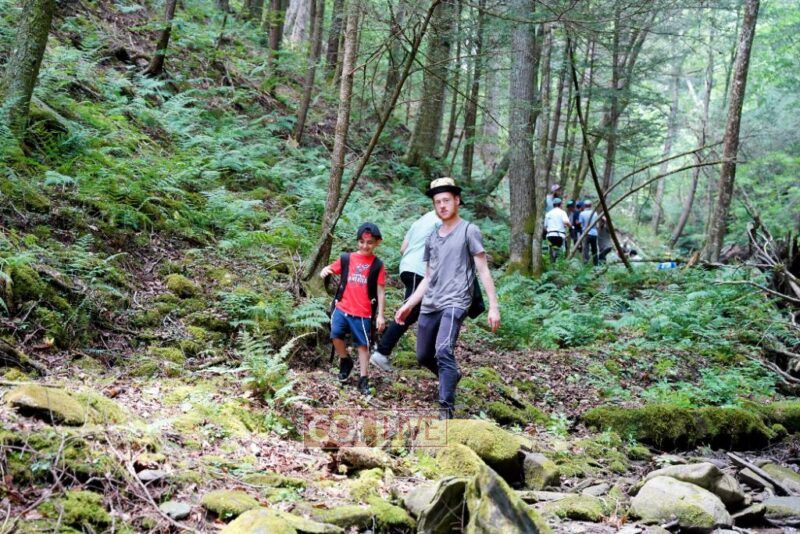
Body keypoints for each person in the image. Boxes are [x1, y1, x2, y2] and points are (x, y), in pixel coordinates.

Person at [395, 177, 501, 419]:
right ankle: (451, 374)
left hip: (456, 301)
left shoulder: (469, 231)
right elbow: (428, 277)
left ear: (457, 201)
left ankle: (445, 411)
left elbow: (483, 270)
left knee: (443, 350)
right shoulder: (432, 237)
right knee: (423, 355)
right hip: (431, 302)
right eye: (437, 202)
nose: (442, 206)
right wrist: (409, 304)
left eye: (446, 200)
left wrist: (493, 307)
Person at [320, 222, 387, 396]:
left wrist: (380, 315)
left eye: (369, 242)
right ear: (358, 241)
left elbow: (381, 291)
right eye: (362, 242)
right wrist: (325, 270)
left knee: (363, 345)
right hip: (342, 307)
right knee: (335, 335)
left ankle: (364, 379)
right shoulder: (347, 259)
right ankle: (345, 360)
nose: (365, 246)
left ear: (377, 242)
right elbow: (332, 268)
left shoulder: (377, 265)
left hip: (363, 312)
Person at [370, 210, 441, 372]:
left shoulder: (420, 221)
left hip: (407, 267)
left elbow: (403, 249)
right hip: (420, 270)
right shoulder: (442, 221)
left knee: (413, 312)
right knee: (409, 312)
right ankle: (381, 351)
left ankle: (383, 337)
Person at [544, 198, 571, 262]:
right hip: (559, 235)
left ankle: (552, 263)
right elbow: (566, 221)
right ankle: (560, 264)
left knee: (551, 252)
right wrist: (571, 227)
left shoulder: (548, 213)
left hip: (550, 235)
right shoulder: (562, 212)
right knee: (560, 252)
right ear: (560, 204)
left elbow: (545, 226)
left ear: (553, 205)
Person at [579, 200, 600, 265]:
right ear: (591, 206)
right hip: (594, 233)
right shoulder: (595, 213)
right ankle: (596, 264)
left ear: (584, 206)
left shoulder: (582, 214)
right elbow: (597, 225)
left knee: (586, 250)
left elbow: (581, 225)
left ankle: (585, 264)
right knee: (594, 249)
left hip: (586, 234)